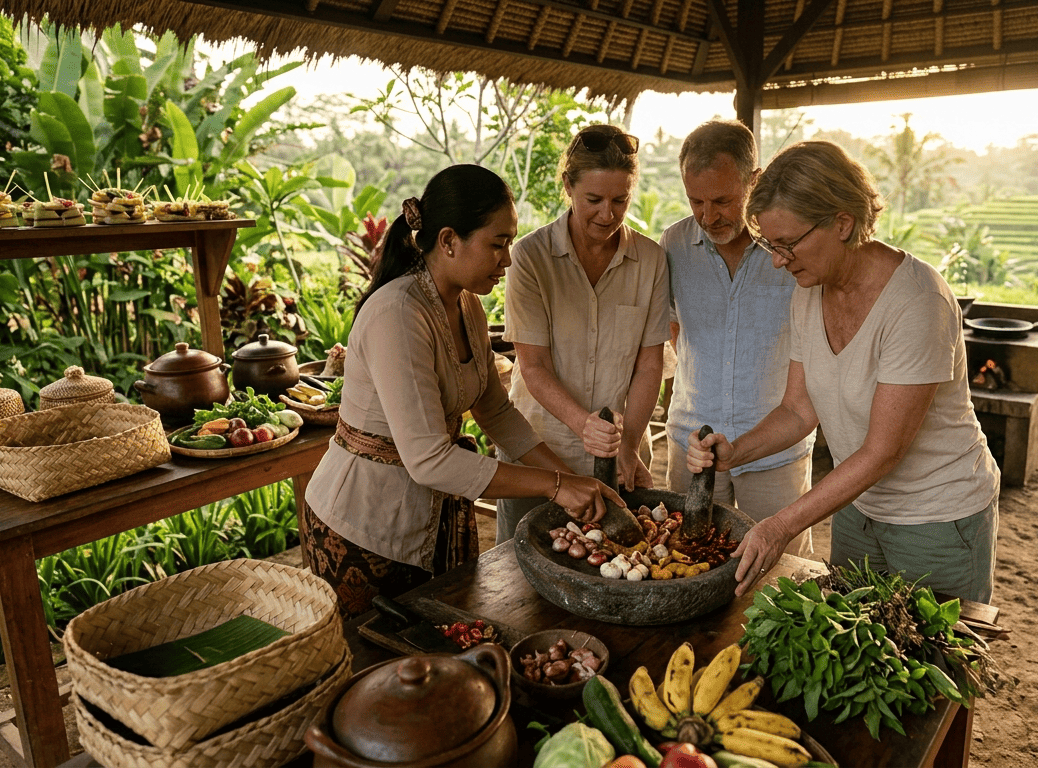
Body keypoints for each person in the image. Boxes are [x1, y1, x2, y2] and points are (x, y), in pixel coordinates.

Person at [687, 141, 1000, 603]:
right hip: (858, 506)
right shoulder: (808, 290)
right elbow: (797, 410)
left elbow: (882, 451)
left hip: (938, 518)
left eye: (788, 244)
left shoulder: (917, 302)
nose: (777, 260)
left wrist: (781, 526)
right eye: (771, 245)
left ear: (843, 223)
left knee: (937, 663)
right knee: (859, 655)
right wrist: (735, 452)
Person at [303, 164, 621, 618]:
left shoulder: (467, 306)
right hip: (361, 530)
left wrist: (572, 482)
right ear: (449, 240)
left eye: (510, 243)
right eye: (497, 244)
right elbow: (430, 459)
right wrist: (555, 487)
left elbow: (497, 413)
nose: (507, 260)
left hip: (426, 525)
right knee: (373, 670)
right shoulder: (398, 315)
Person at [496, 124, 671, 544]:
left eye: (620, 200)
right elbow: (533, 366)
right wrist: (583, 425)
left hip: (622, 452)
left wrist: (627, 445)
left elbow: (650, 364)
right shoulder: (531, 257)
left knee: (618, 561)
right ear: (568, 186)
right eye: (593, 200)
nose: (607, 214)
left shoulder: (650, 260)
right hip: (538, 451)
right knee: (523, 570)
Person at [660, 120, 814, 556]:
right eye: (696, 201)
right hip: (691, 445)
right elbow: (672, 328)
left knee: (782, 576)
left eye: (723, 200)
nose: (709, 217)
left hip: (776, 453)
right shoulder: (673, 244)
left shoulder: (790, 247)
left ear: (754, 180)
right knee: (686, 562)